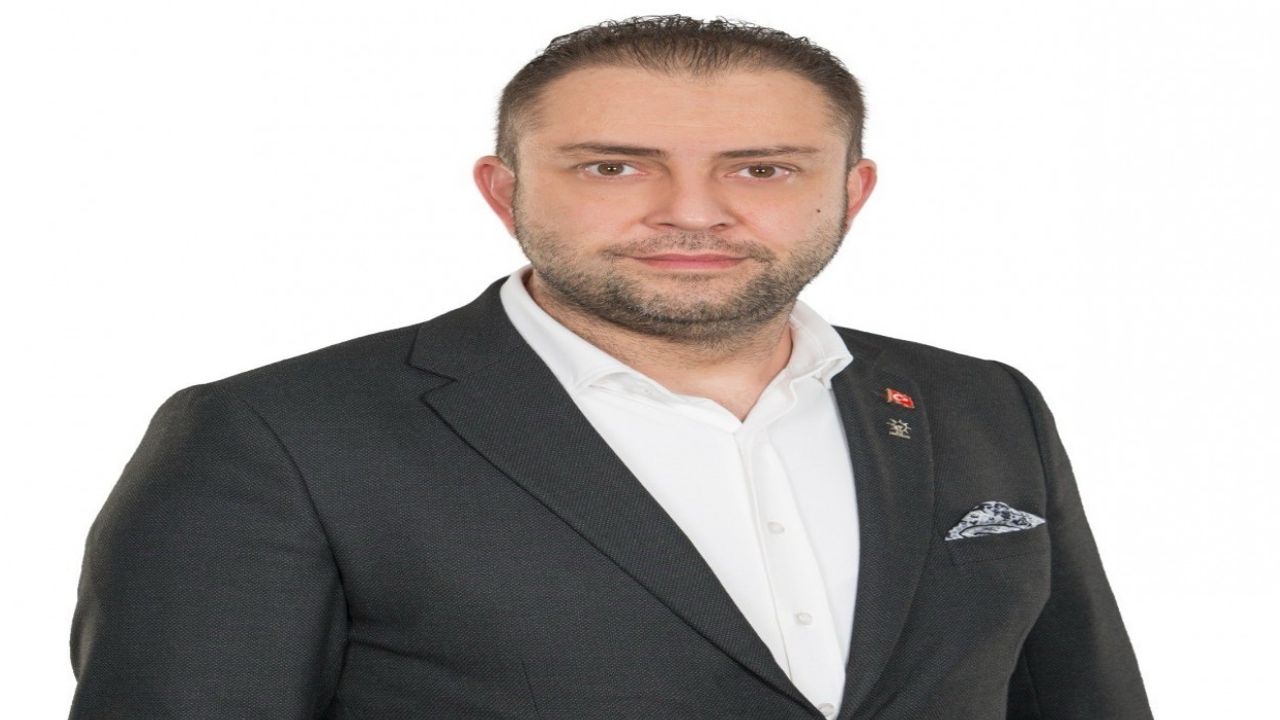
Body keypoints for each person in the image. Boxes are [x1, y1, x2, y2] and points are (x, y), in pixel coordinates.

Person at [68, 14, 1154, 720]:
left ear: (850, 191)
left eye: (762, 169)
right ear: (504, 191)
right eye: (613, 167)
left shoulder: (981, 402)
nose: (693, 212)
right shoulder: (276, 437)